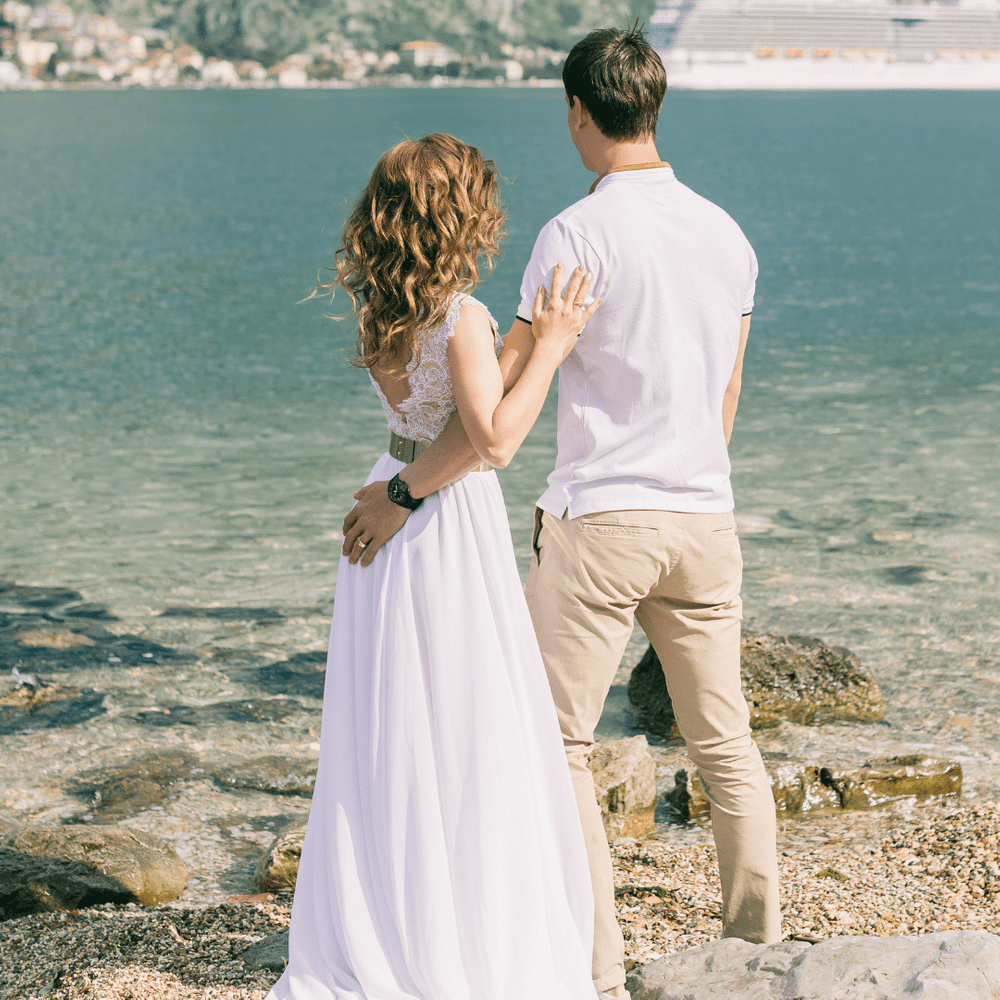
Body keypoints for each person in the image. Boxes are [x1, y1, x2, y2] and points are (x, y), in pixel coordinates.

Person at [342, 23, 781, 1000]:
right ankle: (759, 952)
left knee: (558, 745)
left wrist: (411, 480)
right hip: (704, 514)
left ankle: (595, 965)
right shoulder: (728, 237)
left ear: (580, 114)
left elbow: (485, 406)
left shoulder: (574, 235)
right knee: (726, 742)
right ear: (655, 107)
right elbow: (725, 396)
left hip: (599, 519)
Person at [267, 133, 603, 1000]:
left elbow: (454, 403)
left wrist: (520, 341)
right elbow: (491, 438)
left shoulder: (386, 302)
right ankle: (455, 929)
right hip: (441, 517)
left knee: (395, 723)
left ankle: (394, 906)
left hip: (392, 482)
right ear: (462, 213)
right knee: (462, 720)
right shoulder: (460, 314)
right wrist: (556, 346)